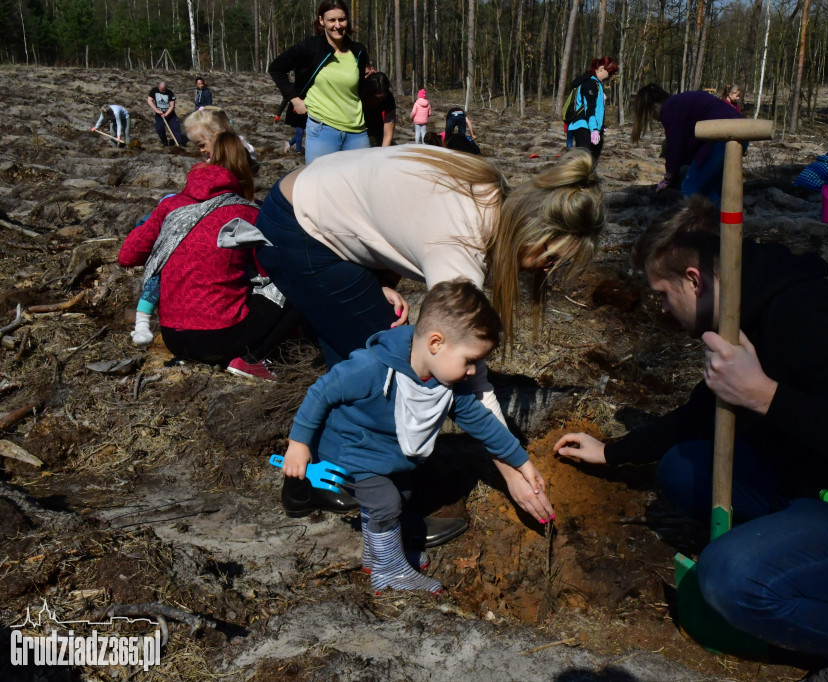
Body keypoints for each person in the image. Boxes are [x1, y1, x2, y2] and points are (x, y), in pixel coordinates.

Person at [554, 197, 828, 682]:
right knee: (682, 465)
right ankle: (799, 560)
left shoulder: (808, 315)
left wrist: (765, 396)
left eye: (662, 293)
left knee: (730, 577)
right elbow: (701, 415)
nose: (660, 308)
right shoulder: (747, 315)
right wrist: (612, 452)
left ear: (694, 281)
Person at [254, 146, 604, 518]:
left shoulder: (491, 192)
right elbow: (472, 388)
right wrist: (511, 473)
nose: (547, 271)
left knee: (376, 347)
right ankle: (333, 485)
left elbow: (397, 215)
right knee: (391, 370)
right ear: (535, 232)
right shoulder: (461, 246)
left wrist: (378, 282)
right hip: (298, 230)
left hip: (311, 202)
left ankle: (352, 473)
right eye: (552, 258)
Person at [281, 279, 554, 593]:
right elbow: (321, 392)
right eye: (469, 361)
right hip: (350, 450)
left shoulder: (446, 385)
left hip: (388, 456)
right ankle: (389, 571)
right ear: (436, 343)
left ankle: (378, 555)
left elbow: (483, 423)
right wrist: (299, 444)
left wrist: (521, 461)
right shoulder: (371, 368)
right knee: (384, 502)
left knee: (401, 496)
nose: (472, 372)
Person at [118, 133, 300, 381]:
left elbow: (127, 256)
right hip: (219, 338)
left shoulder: (170, 206)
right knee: (298, 279)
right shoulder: (248, 212)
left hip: (172, 336)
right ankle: (250, 359)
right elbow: (273, 267)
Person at [269, 0, 370, 164]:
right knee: (319, 180)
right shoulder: (311, 47)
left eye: (342, 19)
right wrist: (295, 100)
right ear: (321, 21)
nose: (337, 25)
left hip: (357, 132)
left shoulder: (358, 51)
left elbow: (360, 90)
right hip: (322, 131)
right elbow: (276, 68)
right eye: (331, 20)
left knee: (361, 180)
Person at [631, 85, 743, 203]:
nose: (655, 118)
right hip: (741, 132)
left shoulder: (669, 108)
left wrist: (669, 176)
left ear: (655, 106)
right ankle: (719, 213)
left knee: (690, 188)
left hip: (724, 136)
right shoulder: (681, 104)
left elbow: (674, 144)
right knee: (708, 189)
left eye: (652, 114)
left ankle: (704, 215)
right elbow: (689, 143)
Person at [564, 57, 618, 163]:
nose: (610, 76)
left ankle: (588, 173)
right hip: (583, 127)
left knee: (592, 160)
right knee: (585, 161)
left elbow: (597, 110)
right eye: (610, 73)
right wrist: (594, 130)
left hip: (592, 127)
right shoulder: (590, 83)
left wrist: (600, 127)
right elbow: (590, 109)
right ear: (601, 68)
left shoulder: (597, 84)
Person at [183, 106, 259, 175]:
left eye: (202, 145)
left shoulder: (237, 148)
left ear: (217, 136)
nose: (201, 150)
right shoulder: (213, 152)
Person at [361, 70, 396, 147]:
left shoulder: (388, 99)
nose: (378, 102)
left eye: (382, 99)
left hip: (378, 130)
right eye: (376, 99)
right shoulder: (359, 93)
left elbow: (388, 134)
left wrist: (383, 152)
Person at [147, 81, 185, 147]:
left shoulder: (170, 93)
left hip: (170, 114)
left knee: (176, 128)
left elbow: (172, 105)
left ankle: (180, 144)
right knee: (159, 129)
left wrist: (166, 114)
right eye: (162, 90)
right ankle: (165, 143)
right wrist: (156, 110)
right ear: (159, 87)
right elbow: (149, 100)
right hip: (159, 115)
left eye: (165, 90)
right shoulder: (154, 91)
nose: (164, 91)